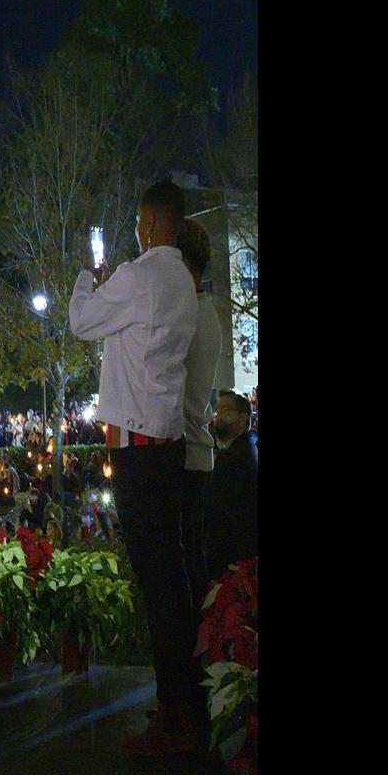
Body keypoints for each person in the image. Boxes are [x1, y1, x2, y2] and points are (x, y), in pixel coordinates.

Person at [69, 179, 202, 756]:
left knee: (156, 583)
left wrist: (87, 276)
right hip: (167, 441)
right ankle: (182, 700)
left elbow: (80, 320)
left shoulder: (139, 275)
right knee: (170, 578)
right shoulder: (183, 283)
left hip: (136, 449)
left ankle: (176, 715)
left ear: (149, 222)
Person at [176, 218, 223, 614]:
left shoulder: (189, 314)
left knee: (187, 568)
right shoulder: (204, 313)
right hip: (196, 454)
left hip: (186, 454)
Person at [204, 390, 258, 576]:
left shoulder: (239, 457)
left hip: (234, 555)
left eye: (226, 409)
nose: (219, 415)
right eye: (218, 410)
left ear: (244, 418)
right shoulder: (239, 449)